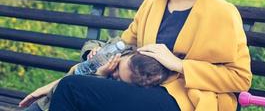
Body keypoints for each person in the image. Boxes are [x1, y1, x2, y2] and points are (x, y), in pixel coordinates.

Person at [48, 0, 252, 111]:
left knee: (71, 90)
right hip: (143, 91)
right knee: (69, 89)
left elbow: (240, 79)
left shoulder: (221, 13)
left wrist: (180, 65)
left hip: (185, 100)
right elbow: (122, 45)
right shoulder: (153, 4)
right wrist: (54, 85)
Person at [19, 39, 170, 111]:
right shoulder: (121, 49)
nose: (113, 71)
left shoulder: (113, 87)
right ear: (130, 53)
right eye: (117, 66)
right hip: (47, 101)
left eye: (118, 77)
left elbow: (80, 89)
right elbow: (93, 42)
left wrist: (101, 75)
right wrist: (94, 50)